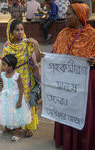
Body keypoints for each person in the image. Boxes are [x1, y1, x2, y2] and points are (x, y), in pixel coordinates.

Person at [45, 3, 95, 150]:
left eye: (68, 14)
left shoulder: (92, 35)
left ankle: (83, 142)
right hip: (65, 82)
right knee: (66, 109)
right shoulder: (63, 33)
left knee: (83, 113)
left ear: (79, 17)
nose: (64, 17)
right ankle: (67, 141)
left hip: (85, 83)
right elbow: (55, 54)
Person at [1, 19, 41, 138]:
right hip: (11, 78)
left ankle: (29, 126)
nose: (20, 32)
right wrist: (1, 76)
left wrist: (36, 44)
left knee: (27, 101)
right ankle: (11, 125)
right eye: (17, 30)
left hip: (25, 78)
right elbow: (3, 63)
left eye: (22, 29)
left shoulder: (28, 44)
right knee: (12, 101)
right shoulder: (7, 46)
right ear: (11, 32)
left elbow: (38, 60)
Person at [0, 54, 32, 142]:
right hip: (5, 98)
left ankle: (16, 132)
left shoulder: (16, 75)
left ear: (10, 67)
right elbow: (2, 84)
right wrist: (1, 90)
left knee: (16, 115)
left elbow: (21, 88)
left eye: (4, 64)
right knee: (5, 112)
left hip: (14, 99)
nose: (2, 66)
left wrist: (19, 101)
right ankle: (6, 128)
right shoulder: (3, 74)